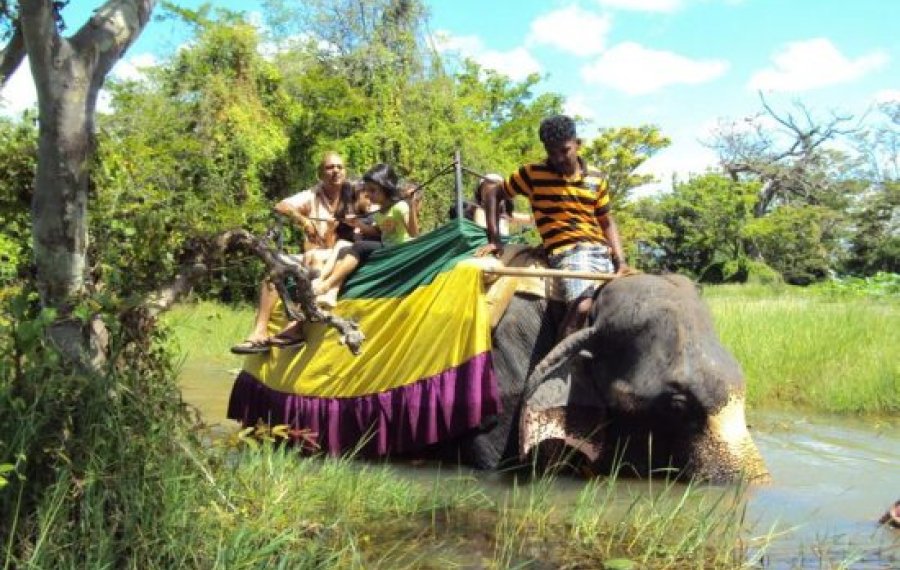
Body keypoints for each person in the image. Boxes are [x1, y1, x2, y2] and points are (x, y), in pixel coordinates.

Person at [478, 114, 630, 338]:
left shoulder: (597, 178)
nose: (558, 157)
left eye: (564, 150)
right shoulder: (532, 174)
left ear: (577, 145)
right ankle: (557, 365)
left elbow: (606, 221)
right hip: (568, 252)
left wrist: (621, 261)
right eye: (551, 151)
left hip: (601, 252)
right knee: (581, 306)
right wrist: (494, 239)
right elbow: (493, 193)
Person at [230, 151, 354, 354]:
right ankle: (259, 331)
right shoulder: (312, 196)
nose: (335, 171)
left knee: (312, 261)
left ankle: (296, 327)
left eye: (339, 167)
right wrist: (303, 220)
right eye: (330, 167)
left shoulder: (353, 192)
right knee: (273, 269)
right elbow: (281, 206)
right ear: (320, 174)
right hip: (314, 253)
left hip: (337, 254)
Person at [312, 163, 419, 307]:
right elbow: (377, 232)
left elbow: (414, 233)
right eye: (367, 190)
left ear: (386, 188)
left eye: (373, 190)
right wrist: (356, 223)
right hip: (386, 245)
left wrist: (411, 205)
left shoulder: (400, 207)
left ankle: (328, 284)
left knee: (360, 246)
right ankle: (323, 280)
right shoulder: (380, 211)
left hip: (399, 248)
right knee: (347, 245)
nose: (368, 194)